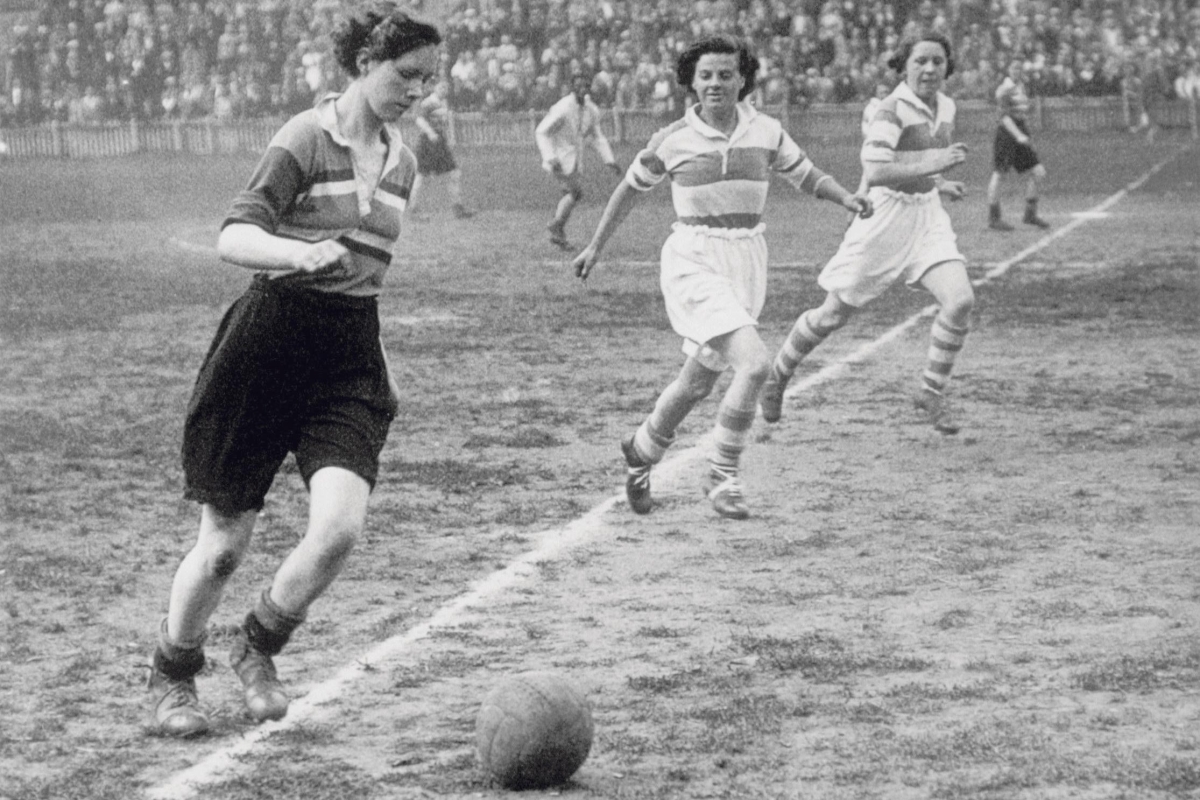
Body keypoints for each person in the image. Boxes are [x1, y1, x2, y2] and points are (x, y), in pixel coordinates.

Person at [145, 2, 441, 738]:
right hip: (268, 341)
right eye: (406, 76)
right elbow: (235, 235)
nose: (417, 92)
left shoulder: (404, 162)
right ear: (365, 63)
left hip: (348, 353)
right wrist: (296, 253)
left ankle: (259, 645)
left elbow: (370, 276)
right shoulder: (304, 137)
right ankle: (174, 672)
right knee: (221, 548)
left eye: (429, 81)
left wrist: (379, 362)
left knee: (339, 528)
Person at [571, 35, 870, 520]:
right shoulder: (672, 139)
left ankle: (641, 452)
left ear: (742, 79)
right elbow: (628, 192)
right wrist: (595, 246)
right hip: (693, 258)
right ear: (690, 81)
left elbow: (807, 174)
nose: (715, 83)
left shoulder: (767, 131)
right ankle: (723, 473)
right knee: (754, 364)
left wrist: (847, 199)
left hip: (746, 259)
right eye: (705, 75)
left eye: (725, 74)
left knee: (696, 383)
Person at [759, 32, 972, 436]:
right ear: (904, 65)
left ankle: (931, 392)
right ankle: (778, 374)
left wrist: (939, 182)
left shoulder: (946, 105)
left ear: (948, 67)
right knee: (832, 314)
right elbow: (876, 170)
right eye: (920, 61)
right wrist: (936, 166)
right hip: (885, 217)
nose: (929, 69)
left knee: (960, 301)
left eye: (937, 62)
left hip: (927, 216)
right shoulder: (891, 110)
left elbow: (918, 158)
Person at [535, 72, 622, 250]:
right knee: (575, 193)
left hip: (574, 158)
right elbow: (542, 132)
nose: (582, 89)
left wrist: (609, 160)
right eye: (578, 86)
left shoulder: (591, 110)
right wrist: (550, 157)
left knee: (571, 194)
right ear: (572, 88)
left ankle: (558, 229)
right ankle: (556, 226)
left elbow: (597, 137)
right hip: (558, 157)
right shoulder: (563, 107)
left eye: (586, 86)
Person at [987, 58, 1050, 231]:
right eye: (1014, 68)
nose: (1017, 71)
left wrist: (1025, 133)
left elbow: (1022, 113)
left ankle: (1030, 214)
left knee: (1038, 172)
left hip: (1020, 131)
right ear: (1008, 70)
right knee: (999, 174)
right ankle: (994, 218)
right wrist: (1019, 135)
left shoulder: (1021, 88)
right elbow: (1004, 118)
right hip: (1007, 134)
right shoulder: (1003, 90)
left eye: (1019, 69)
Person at [408, 79, 475, 219]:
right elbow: (419, 119)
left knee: (454, 173)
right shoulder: (428, 102)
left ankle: (458, 208)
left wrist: (446, 137)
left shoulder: (442, 103)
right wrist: (430, 132)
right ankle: (413, 209)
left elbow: (442, 122)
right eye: (441, 87)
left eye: (446, 88)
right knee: (421, 176)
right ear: (434, 88)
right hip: (427, 143)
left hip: (440, 143)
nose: (444, 90)